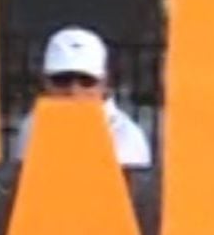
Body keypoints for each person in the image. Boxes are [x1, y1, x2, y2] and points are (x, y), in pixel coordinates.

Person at [13, 27, 151, 168]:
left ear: (104, 83)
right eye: (62, 80)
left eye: (87, 81)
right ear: (45, 82)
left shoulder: (126, 135)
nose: (74, 90)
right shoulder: (31, 127)